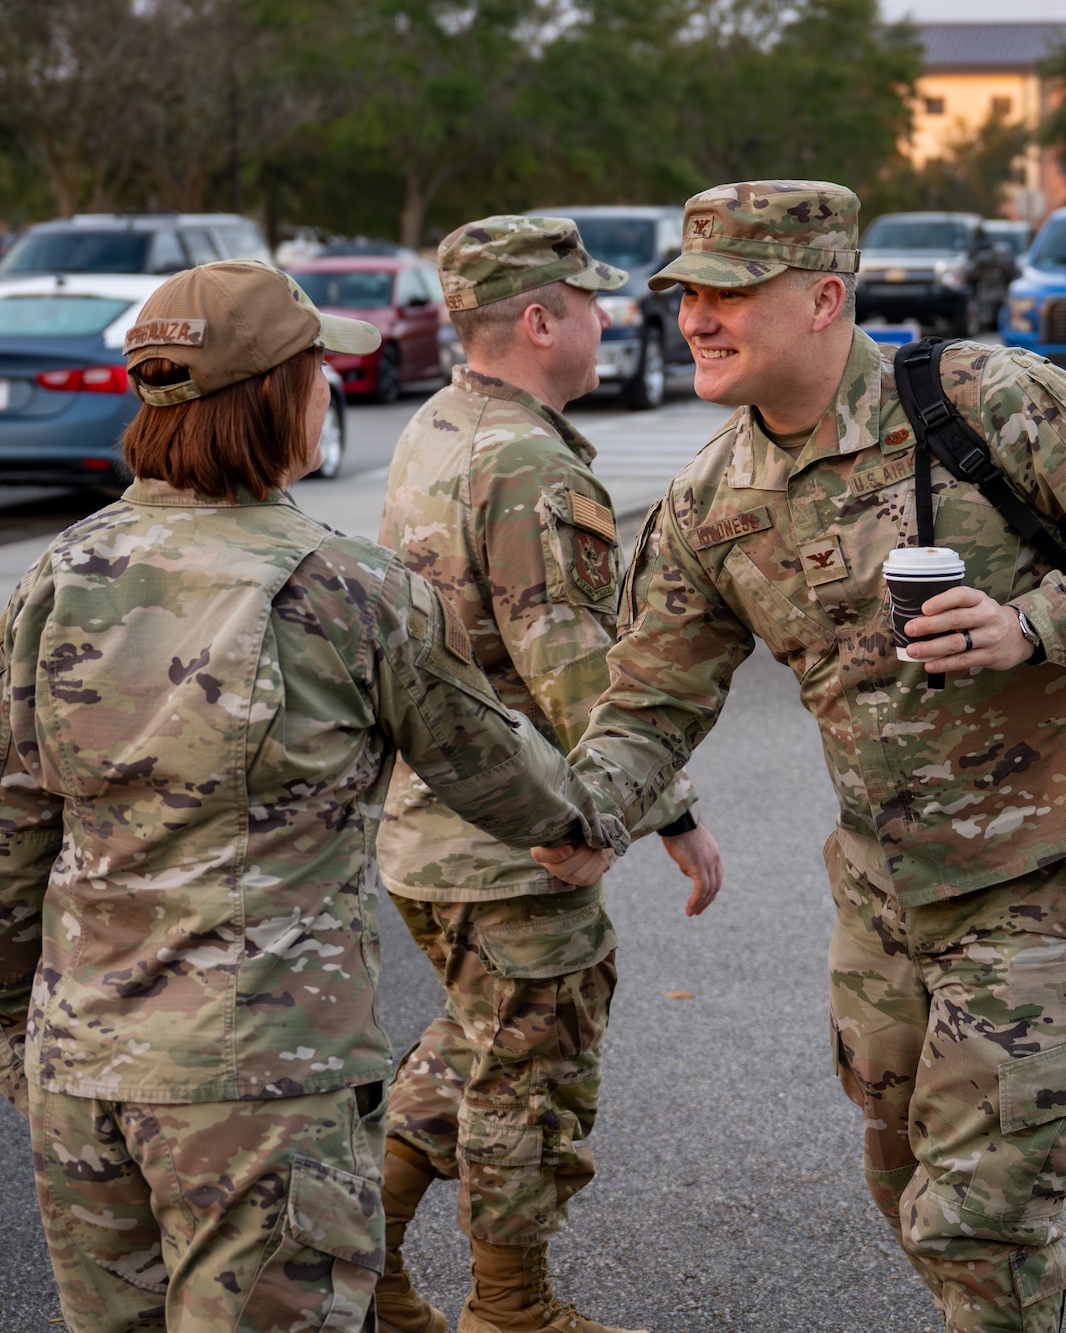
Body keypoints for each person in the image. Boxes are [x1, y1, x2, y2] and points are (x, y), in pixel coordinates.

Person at [532, 183, 1066, 1333]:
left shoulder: (977, 399)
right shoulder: (710, 499)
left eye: (728, 294)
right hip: (880, 885)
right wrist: (587, 815)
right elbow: (650, 698)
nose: (696, 320)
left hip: (1036, 867)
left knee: (980, 1212)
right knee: (900, 1177)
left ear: (821, 297)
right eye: (686, 296)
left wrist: (1035, 620)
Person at [0, 259, 628, 1333]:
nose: (331, 391)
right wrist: (590, 821)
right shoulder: (345, 589)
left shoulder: (57, 577)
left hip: (83, 1078)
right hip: (264, 1086)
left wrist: (20, 1054)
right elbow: (494, 767)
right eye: (319, 371)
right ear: (273, 397)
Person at [372, 216, 724, 1333]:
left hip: (431, 825)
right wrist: (661, 812)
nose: (604, 321)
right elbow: (571, 665)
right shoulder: (522, 460)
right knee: (531, 1074)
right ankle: (510, 1312)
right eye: (587, 304)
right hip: (516, 832)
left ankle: (357, 1270)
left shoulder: (438, 426)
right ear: (537, 320)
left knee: (475, 1045)